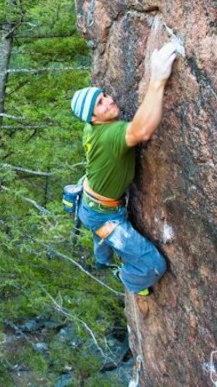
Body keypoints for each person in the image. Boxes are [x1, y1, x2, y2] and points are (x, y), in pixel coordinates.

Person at [70, 42, 180, 296]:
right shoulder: (109, 135)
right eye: (100, 104)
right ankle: (128, 279)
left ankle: (102, 257)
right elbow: (142, 130)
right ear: (94, 119)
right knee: (153, 265)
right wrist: (157, 81)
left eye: (104, 95)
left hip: (93, 203)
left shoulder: (92, 129)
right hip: (103, 215)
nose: (109, 101)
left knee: (101, 234)